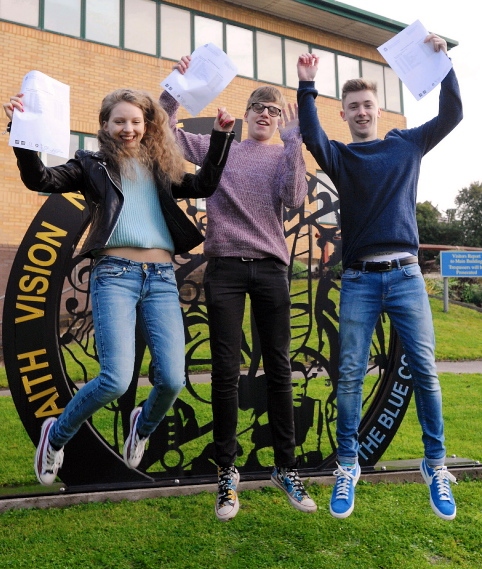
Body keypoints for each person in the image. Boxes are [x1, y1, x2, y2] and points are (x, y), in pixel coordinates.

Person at [3, 88, 234, 486]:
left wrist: (220, 137)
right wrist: (22, 133)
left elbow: (205, 186)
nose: (128, 128)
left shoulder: (161, 164)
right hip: (115, 275)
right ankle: (55, 437)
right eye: (119, 121)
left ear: (146, 125)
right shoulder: (91, 164)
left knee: (173, 380)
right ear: (106, 125)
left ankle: (141, 427)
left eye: (135, 121)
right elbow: (39, 177)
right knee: (114, 379)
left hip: (161, 279)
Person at [296, 33, 462, 521]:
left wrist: (444, 64)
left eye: (368, 104)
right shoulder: (342, 158)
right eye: (353, 107)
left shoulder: (407, 144)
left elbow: (453, 115)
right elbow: (312, 137)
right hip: (361, 281)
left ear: (379, 111)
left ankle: (436, 465)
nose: (362, 112)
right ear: (344, 114)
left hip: (407, 277)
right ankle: (348, 465)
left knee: (426, 374)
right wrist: (307, 86)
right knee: (349, 375)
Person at [160, 54, 317, 521]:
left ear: (279, 119)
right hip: (225, 267)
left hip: (270, 269)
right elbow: (164, 129)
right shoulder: (219, 147)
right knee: (225, 371)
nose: (265, 115)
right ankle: (227, 475)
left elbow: (292, 198)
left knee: (279, 369)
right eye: (258, 109)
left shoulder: (286, 152)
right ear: (246, 115)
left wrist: (296, 143)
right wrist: (177, 84)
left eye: (273, 110)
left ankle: (285, 467)